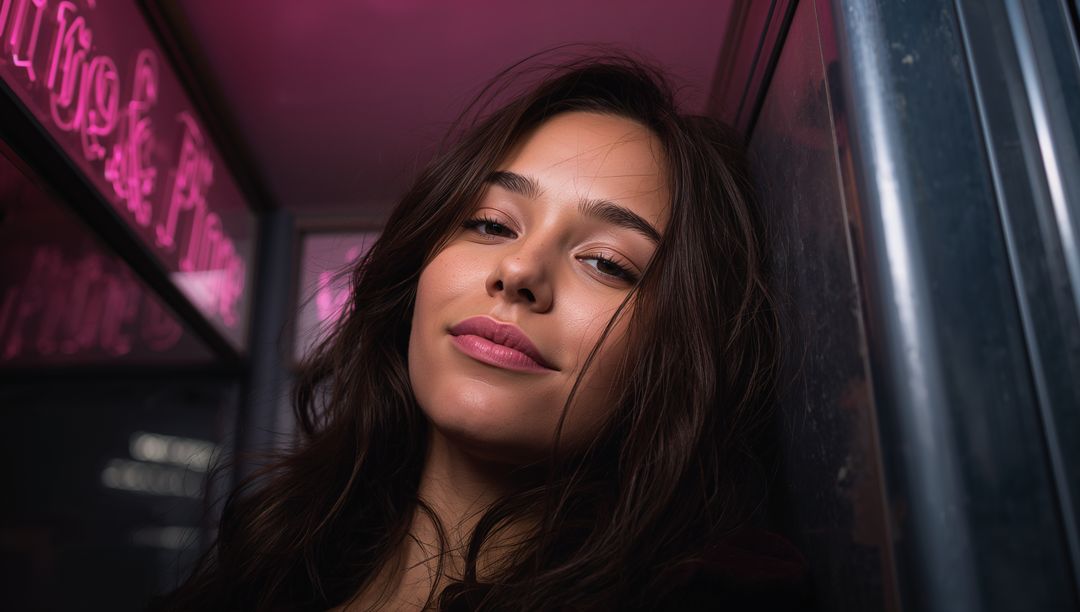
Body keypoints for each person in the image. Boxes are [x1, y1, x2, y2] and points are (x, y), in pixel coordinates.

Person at [154, 53, 806, 611]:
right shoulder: (266, 563)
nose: (519, 271)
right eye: (491, 224)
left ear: (678, 352)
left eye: (607, 263)